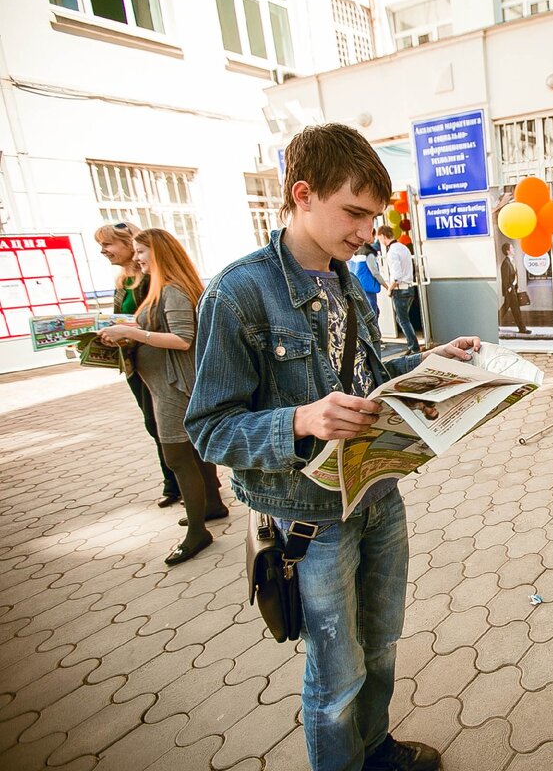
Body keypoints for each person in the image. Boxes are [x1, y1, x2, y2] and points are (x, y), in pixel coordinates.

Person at [186, 123, 481, 771]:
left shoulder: (346, 281)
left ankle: (375, 750)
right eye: (354, 213)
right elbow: (208, 427)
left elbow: (361, 379)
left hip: (378, 496)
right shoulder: (238, 294)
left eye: (374, 218)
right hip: (309, 521)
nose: (366, 232)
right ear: (302, 194)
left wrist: (430, 362)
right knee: (336, 675)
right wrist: (300, 420)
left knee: (381, 646)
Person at [98, 228, 226, 565]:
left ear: (160, 253)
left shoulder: (173, 291)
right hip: (165, 385)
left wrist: (130, 332)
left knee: (177, 458)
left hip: (176, 388)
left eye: (142, 252)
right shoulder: (160, 289)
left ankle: (198, 532)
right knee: (191, 456)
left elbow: (183, 339)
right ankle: (208, 507)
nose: (137, 258)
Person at [94, 221, 181, 508]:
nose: (104, 251)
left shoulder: (156, 282)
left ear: (129, 244)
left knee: (167, 427)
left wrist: (130, 332)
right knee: (152, 423)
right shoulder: (123, 282)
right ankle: (175, 482)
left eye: (108, 244)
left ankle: (186, 486)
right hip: (137, 365)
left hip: (162, 365)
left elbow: (176, 333)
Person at [379, 224, 421, 354]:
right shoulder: (403, 248)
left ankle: (413, 347)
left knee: (402, 320)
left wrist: (389, 289)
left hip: (400, 289)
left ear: (383, 236)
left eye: (380, 238)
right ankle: (413, 345)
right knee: (404, 319)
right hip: (409, 288)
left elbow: (396, 276)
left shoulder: (392, 252)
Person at [498, 242, 530, 334]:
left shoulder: (511, 261)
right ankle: (522, 329)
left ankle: (522, 328)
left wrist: (517, 287)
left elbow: (514, 276)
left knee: (510, 309)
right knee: (514, 309)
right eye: (512, 248)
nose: (514, 249)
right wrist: (509, 288)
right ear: (508, 251)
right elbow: (505, 278)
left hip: (513, 289)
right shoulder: (506, 263)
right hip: (510, 291)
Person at [348, 241, 385, 317]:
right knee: (373, 314)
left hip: (357, 288)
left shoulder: (353, 255)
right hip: (368, 289)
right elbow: (375, 273)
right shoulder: (368, 255)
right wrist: (386, 286)